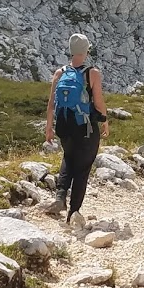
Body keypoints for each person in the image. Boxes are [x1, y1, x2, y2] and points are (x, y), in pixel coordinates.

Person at [44, 33, 109, 224]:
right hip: (85, 127)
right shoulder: (92, 73)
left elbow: (51, 103)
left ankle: (60, 197)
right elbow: (98, 102)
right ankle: (73, 212)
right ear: (86, 50)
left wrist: (49, 128)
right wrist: (105, 119)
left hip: (64, 126)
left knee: (68, 158)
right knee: (83, 167)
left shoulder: (60, 73)